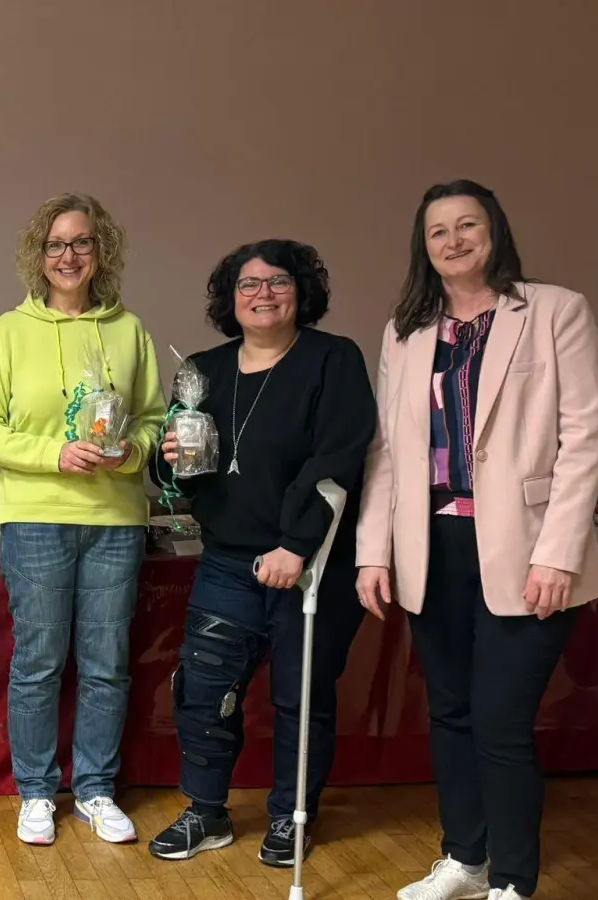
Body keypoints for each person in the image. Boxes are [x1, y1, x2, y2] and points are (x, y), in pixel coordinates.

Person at [357, 180, 598, 900]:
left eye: (468, 225)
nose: (454, 240)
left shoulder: (554, 310)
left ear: (494, 232)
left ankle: (514, 882)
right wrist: (374, 551)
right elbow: (386, 454)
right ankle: (464, 862)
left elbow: (583, 436)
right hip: (432, 549)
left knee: (500, 721)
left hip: (529, 550)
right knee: (451, 713)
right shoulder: (406, 329)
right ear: (424, 247)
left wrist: (560, 551)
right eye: (439, 231)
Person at [145, 239, 374, 866]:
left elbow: (339, 461)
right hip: (227, 561)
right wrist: (166, 461)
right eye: (248, 284)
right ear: (230, 298)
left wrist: (296, 546)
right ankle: (207, 811)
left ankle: (290, 817)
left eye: (278, 281)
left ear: (302, 293)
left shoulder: (333, 360)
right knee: (203, 689)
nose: (263, 293)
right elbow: (176, 478)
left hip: (314, 565)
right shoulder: (203, 371)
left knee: (300, 699)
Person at [0, 192, 166, 846]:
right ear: (39, 255)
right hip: (36, 520)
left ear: (100, 251)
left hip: (115, 519)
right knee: (40, 661)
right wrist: (57, 452)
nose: (69, 255)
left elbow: (156, 421)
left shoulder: (130, 330)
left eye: (81, 243)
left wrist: (128, 450)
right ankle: (35, 790)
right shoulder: (8, 332)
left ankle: (97, 789)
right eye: (56, 245)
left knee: (107, 661)